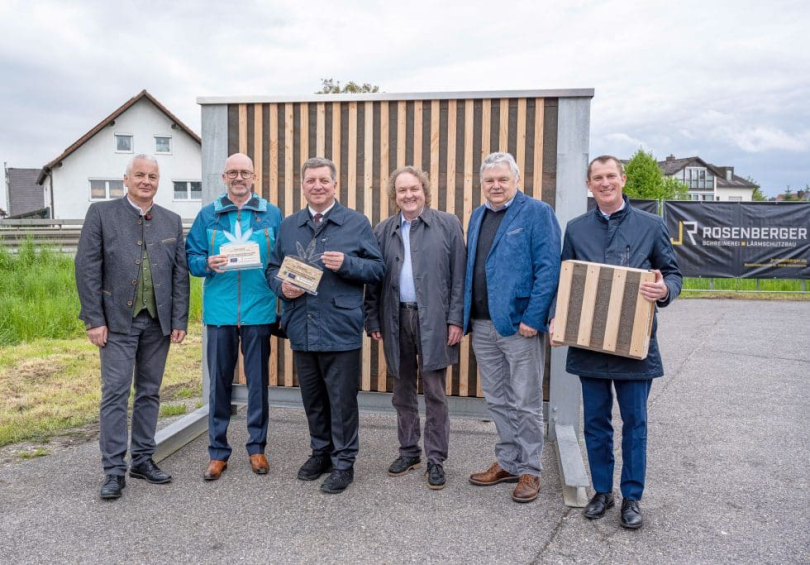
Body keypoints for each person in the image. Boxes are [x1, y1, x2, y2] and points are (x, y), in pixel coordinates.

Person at [550, 155, 682, 529]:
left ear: (622, 179)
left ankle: (632, 498)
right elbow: (566, 282)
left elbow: (673, 274)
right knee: (595, 422)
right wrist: (558, 317)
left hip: (634, 346)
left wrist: (664, 290)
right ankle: (602, 492)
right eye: (597, 178)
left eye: (611, 176)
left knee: (635, 424)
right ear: (588, 185)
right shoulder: (576, 229)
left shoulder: (651, 225)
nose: (605, 183)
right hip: (589, 344)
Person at [266, 157, 385, 494]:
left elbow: (377, 269)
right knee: (313, 398)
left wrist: (348, 264)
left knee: (342, 400)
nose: (317, 186)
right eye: (311, 181)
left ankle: (344, 463)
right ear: (302, 186)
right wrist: (282, 287)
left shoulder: (356, 222)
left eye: (323, 180)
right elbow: (272, 268)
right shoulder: (290, 225)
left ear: (335, 184)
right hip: (301, 325)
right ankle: (321, 453)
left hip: (340, 325)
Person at [75, 154, 189, 500]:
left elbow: (179, 275)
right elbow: (87, 268)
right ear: (126, 179)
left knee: (150, 391)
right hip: (116, 322)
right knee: (115, 392)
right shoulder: (101, 213)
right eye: (139, 175)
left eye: (152, 176)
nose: (146, 181)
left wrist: (179, 320)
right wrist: (94, 319)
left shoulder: (171, 220)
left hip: (157, 323)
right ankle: (113, 470)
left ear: (158, 181)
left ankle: (142, 459)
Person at [463, 152, 561, 503]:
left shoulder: (537, 212)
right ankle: (507, 462)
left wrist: (533, 318)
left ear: (516, 180)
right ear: (481, 184)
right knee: (498, 400)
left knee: (526, 400)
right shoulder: (477, 215)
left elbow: (548, 269)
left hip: (520, 325)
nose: (496, 186)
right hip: (481, 323)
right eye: (489, 180)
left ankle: (530, 469)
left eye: (503, 179)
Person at [364, 166, 466, 490]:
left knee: (435, 392)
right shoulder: (383, 230)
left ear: (424, 190)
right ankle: (409, 451)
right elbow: (374, 281)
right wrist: (373, 319)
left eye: (414, 189)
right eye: (402, 190)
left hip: (434, 320)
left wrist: (456, 319)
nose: (409, 195)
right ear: (394, 196)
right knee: (402, 391)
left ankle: (436, 459)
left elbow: (459, 276)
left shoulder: (447, 224)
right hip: (395, 319)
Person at [186, 153, 283, 481]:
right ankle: (217, 452)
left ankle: (257, 447)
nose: (239, 178)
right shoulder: (208, 215)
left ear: (254, 177)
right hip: (220, 312)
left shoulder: (271, 214)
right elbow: (191, 256)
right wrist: (205, 264)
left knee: (258, 383)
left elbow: (282, 257)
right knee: (219, 385)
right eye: (233, 173)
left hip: (259, 310)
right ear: (224, 177)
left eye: (244, 172)